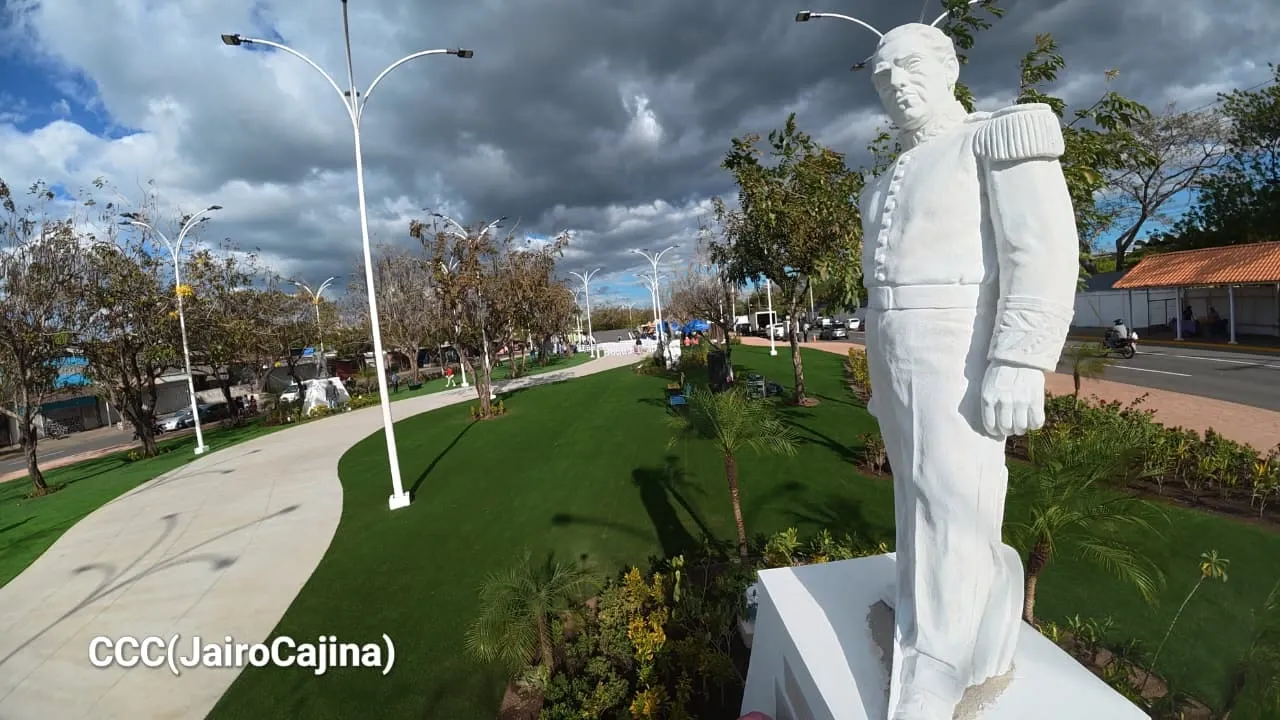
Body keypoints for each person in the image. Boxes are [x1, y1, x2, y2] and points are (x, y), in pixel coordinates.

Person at [858, 22, 1078, 719]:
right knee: (914, 492)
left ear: (949, 67)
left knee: (956, 499)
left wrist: (1020, 358)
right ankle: (924, 610)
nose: (896, 84)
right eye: (882, 75)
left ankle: (943, 662)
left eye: (910, 66)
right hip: (896, 348)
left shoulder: (995, 137)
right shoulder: (882, 180)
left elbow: (1041, 250)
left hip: (959, 342)